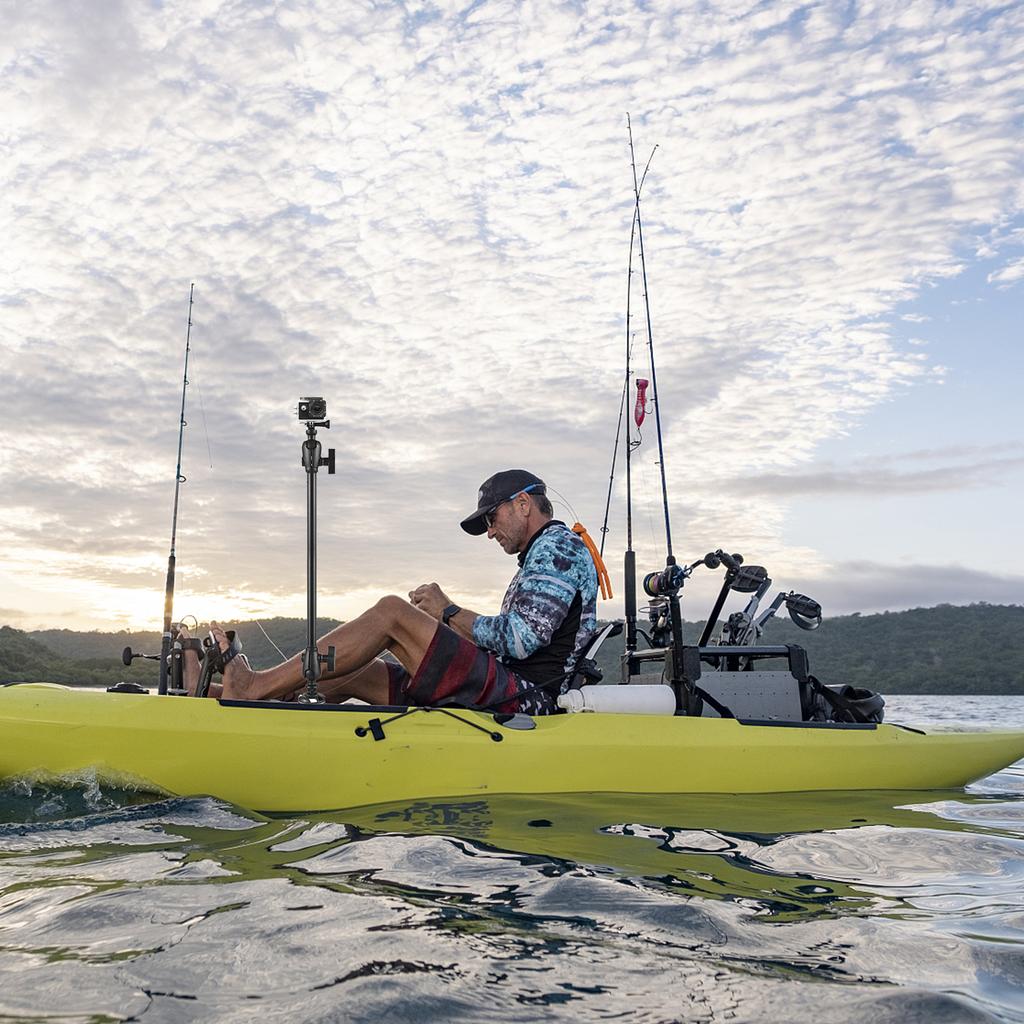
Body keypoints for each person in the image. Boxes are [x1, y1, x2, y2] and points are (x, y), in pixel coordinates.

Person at [182, 470, 599, 715]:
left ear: (523, 505)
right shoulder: (543, 553)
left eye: (491, 518)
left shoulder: (558, 548)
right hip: (509, 682)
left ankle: (253, 688)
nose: (489, 531)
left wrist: (447, 611)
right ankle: (231, 701)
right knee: (354, 669)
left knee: (391, 613)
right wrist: (442, 621)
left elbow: (519, 640)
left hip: (527, 698)